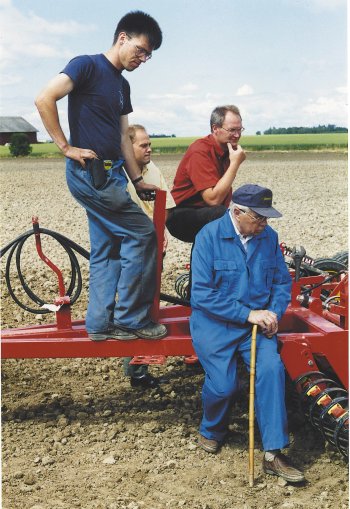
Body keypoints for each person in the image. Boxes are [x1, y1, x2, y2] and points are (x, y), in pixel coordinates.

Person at [35, 11, 167, 342]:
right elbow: (44, 98)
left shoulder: (122, 86)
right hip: (91, 175)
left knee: (107, 248)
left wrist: (137, 181)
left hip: (114, 177)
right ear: (123, 38)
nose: (143, 59)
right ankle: (131, 319)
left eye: (148, 55)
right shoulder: (87, 66)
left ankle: (99, 325)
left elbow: (124, 139)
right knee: (143, 235)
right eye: (140, 50)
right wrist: (65, 147)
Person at [190, 184, 305, 483]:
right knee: (224, 386)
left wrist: (273, 315)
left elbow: (281, 284)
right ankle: (212, 429)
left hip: (256, 326)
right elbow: (201, 295)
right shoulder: (208, 238)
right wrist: (246, 313)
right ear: (237, 212)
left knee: (271, 370)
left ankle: (273, 453)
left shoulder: (268, 237)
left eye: (267, 218)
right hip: (215, 325)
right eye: (259, 218)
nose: (265, 224)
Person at [123, 124, 176, 388]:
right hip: (132, 249)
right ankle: (135, 369)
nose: (149, 149)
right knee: (135, 306)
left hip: (153, 244)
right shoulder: (119, 176)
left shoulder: (153, 170)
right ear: (127, 146)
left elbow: (163, 205)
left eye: (150, 144)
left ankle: (140, 366)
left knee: (150, 301)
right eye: (143, 145)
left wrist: (161, 231)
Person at [166, 105, 246, 243]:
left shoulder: (228, 150)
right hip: (181, 214)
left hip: (205, 211)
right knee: (221, 215)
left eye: (240, 130)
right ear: (215, 128)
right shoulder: (200, 151)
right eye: (232, 130)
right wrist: (235, 164)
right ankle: (205, 262)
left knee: (251, 215)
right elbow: (213, 200)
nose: (237, 135)